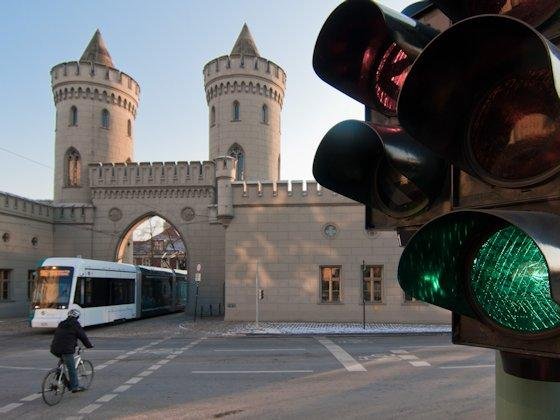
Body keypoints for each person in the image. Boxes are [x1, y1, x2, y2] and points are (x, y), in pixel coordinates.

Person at [50, 309, 93, 393]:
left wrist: (74, 344)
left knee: (63, 361)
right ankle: (74, 387)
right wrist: (89, 345)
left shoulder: (62, 323)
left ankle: (61, 375)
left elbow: (65, 336)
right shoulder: (75, 324)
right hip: (66, 349)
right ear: (77, 317)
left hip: (55, 348)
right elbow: (82, 336)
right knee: (72, 369)